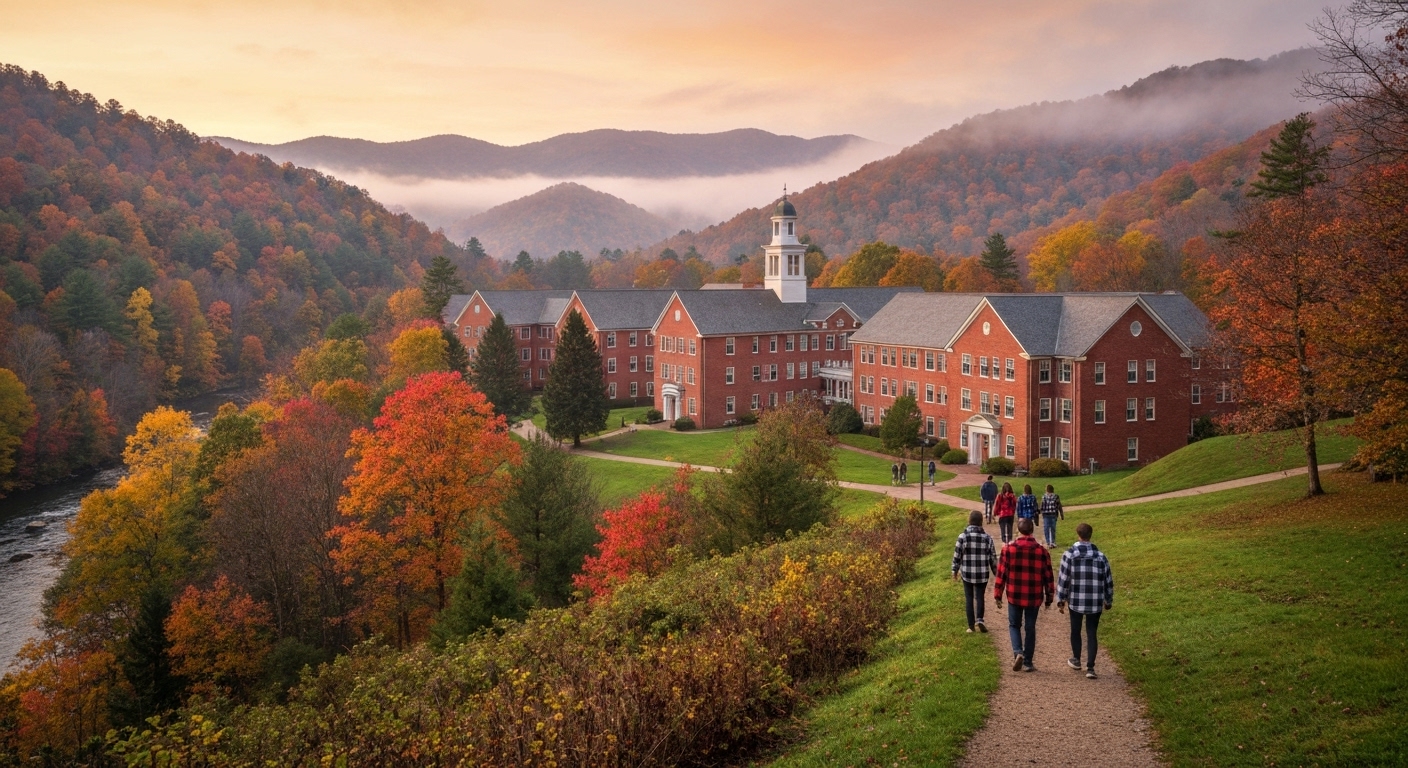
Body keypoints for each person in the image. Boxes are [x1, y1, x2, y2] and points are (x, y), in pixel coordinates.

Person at [994, 517, 1054, 672]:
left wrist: (997, 594)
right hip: (1033, 596)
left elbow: (1001, 574)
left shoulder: (1008, 549)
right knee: (1030, 627)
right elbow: (1048, 576)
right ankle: (1028, 662)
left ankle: (1017, 652)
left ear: (1018, 531)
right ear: (1032, 530)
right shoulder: (1042, 551)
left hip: (1014, 594)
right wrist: (1049, 597)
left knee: (1014, 625)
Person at [1057, 523, 1114, 680]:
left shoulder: (1069, 555)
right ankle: (1090, 667)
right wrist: (1108, 599)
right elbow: (1108, 580)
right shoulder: (1101, 556)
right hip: (1095, 600)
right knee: (1091, 632)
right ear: (1091, 535)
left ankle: (1076, 659)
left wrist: (1061, 599)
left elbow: (1063, 578)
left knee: (1075, 630)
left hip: (1076, 598)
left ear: (1078, 534)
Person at [951, 511, 998, 633]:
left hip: (967, 573)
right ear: (981, 522)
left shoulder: (963, 537)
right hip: (982, 574)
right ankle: (980, 619)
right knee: (980, 596)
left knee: (969, 597)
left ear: (969, 521)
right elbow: (993, 557)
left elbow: (957, 555)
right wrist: (996, 572)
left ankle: (971, 626)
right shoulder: (987, 538)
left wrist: (954, 570)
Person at [1039, 483, 1064, 548]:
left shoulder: (1044, 496)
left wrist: (1038, 512)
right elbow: (1059, 506)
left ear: (1047, 490)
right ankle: (1052, 542)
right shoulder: (1056, 496)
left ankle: (1048, 542)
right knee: (1053, 528)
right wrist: (1061, 514)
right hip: (1053, 514)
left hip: (1046, 515)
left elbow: (1042, 506)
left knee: (1046, 528)